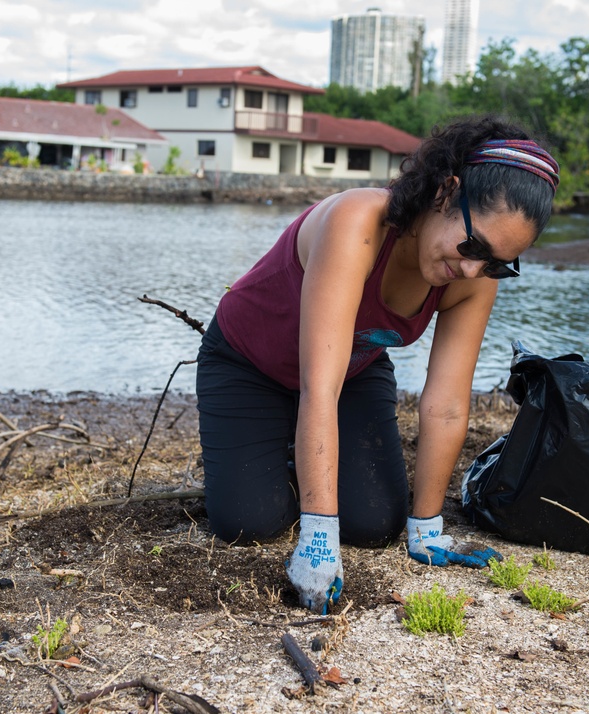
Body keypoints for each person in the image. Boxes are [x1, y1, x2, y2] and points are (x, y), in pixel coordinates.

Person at [195, 115, 559, 613]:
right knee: (249, 523)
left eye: (497, 262)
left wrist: (427, 527)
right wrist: (319, 535)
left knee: (376, 527)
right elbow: (315, 388)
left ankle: (304, 460)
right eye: (473, 247)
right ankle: (277, 452)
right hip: (247, 364)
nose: (473, 269)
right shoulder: (359, 222)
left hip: (353, 371)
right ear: (446, 193)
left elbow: (448, 404)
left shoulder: (474, 277)